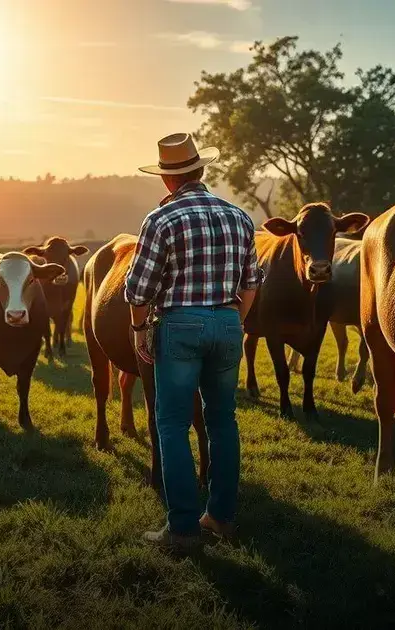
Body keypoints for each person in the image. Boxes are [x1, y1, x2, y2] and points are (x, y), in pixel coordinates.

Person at [124, 132, 262, 549]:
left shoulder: (161, 219)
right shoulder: (238, 216)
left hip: (179, 326)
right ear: (201, 170)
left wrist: (136, 330)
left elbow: (138, 289)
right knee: (223, 423)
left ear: (168, 179)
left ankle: (182, 529)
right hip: (227, 320)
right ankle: (220, 518)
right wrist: (232, 321)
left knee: (172, 425)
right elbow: (252, 282)